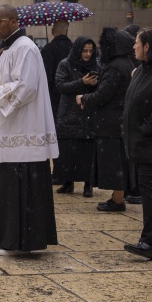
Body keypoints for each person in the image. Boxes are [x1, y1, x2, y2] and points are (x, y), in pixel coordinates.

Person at [0, 5, 59, 255]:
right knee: (3, 186)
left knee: (17, 187)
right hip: (8, 128)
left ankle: (17, 241)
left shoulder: (26, 48)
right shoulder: (9, 49)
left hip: (23, 131)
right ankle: (1, 233)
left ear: (13, 21)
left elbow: (26, 87)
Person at [122, 28, 152, 260]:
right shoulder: (142, 69)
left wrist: (144, 131)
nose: (134, 47)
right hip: (140, 144)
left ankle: (149, 242)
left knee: (150, 192)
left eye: (137, 43)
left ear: (148, 47)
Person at [80, 27, 133, 211]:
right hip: (117, 121)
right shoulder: (125, 63)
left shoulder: (115, 66)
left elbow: (104, 94)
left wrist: (84, 98)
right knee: (116, 162)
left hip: (110, 122)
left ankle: (118, 200)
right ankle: (117, 197)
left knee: (114, 164)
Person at [53, 37, 97, 197]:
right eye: (85, 50)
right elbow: (61, 86)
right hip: (69, 114)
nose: (87, 54)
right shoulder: (65, 64)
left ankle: (88, 183)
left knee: (86, 152)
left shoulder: (95, 65)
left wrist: (94, 85)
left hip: (87, 114)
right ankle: (67, 182)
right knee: (67, 152)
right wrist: (82, 82)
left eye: (91, 51)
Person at [39, 19, 72, 129]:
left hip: (53, 98)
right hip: (72, 97)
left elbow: (46, 78)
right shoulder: (74, 49)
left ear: (52, 31)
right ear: (67, 31)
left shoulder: (47, 50)